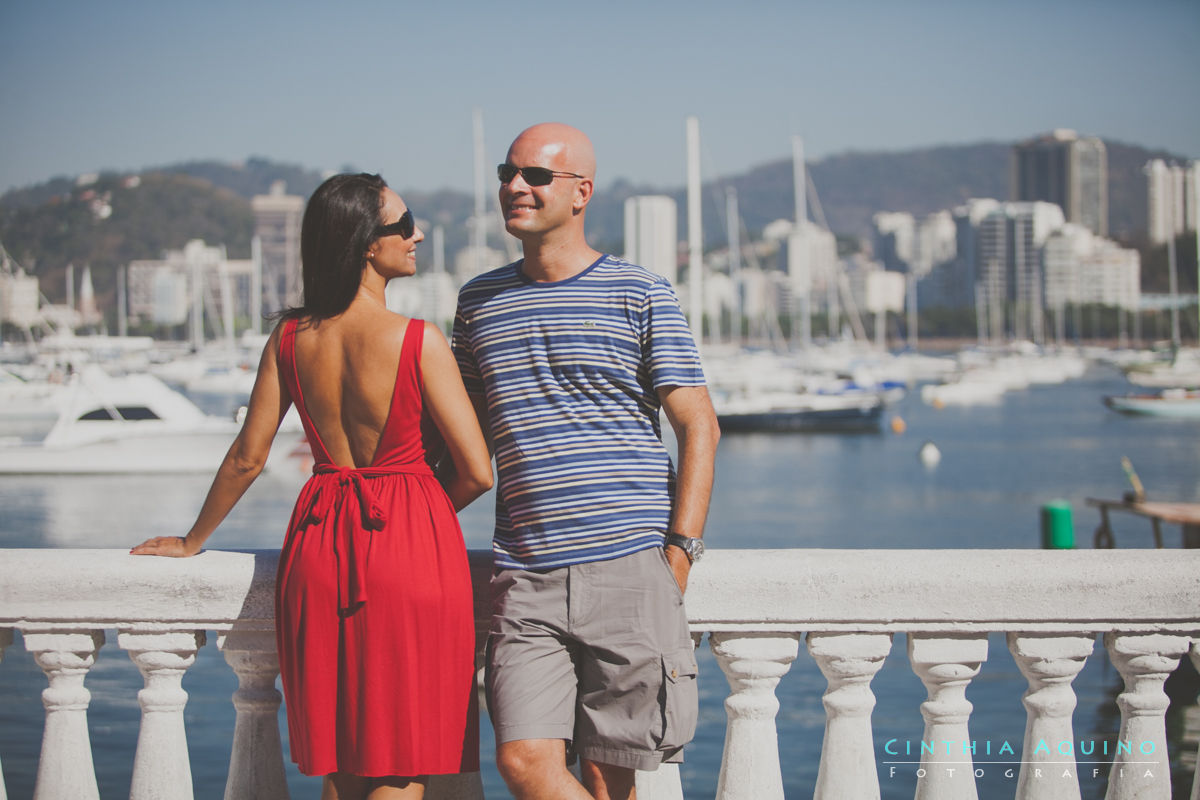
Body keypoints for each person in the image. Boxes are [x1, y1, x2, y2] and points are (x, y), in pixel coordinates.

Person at [132, 173, 493, 800]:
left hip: (320, 544)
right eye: (404, 226)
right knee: (402, 758)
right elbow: (477, 471)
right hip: (407, 549)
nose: (419, 235)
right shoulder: (418, 341)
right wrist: (420, 517)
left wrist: (194, 540)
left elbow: (249, 456)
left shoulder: (291, 339)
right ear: (365, 245)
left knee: (344, 756)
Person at [452, 123, 720, 800]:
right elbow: (463, 439)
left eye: (536, 177)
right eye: (507, 173)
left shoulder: (641, 292)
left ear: (581, 194)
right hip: (524, 574)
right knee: (522, 761)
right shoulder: (477, 302)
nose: (515, 186)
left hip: (629, 565)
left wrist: (679, 554)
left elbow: (700, 426)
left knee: (609, 777)